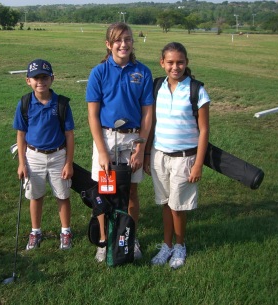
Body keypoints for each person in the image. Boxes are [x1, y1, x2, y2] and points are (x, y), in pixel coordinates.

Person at [86, 22, 153, 262]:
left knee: (131, 191)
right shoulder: (99, 72)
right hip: (106, 138)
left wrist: (140, 147)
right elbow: (92, 115)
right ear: (108, 44)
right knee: (105, 191)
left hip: (133, 137)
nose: (123, 44)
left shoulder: (143, 72)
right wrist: (102, 152)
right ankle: (105, 240)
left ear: (133, 42)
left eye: (127, 39)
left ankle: (129, 237)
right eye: (118, 40)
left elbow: (147, 113)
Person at [144, 42, 210, 269]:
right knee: (165, 203)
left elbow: (204, 130)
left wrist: (198, 164)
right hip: (159, 156)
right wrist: (146, 154)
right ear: (162, 63)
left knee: (178, 206)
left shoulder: (196, 90)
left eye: (180, 62)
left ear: (186, 63)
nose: (175, 67)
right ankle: (167, 244)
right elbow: (151, 124)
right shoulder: (156, 87)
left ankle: (180, 245)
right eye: (170, 62)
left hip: (185, 158)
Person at [13, 59, 75, 251]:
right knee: (35, 196)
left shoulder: (61, 104)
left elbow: (69, 135)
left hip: (58, 156)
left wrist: (69, 163)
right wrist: (22, 163)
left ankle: (65, 231)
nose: (41, 81)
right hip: (33, 156)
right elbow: (21, 134)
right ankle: (35, 231)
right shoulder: (25, 103)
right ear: (28, 81)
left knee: (62, 195)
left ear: (52, 79)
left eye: (45, 77)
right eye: (36, 78)